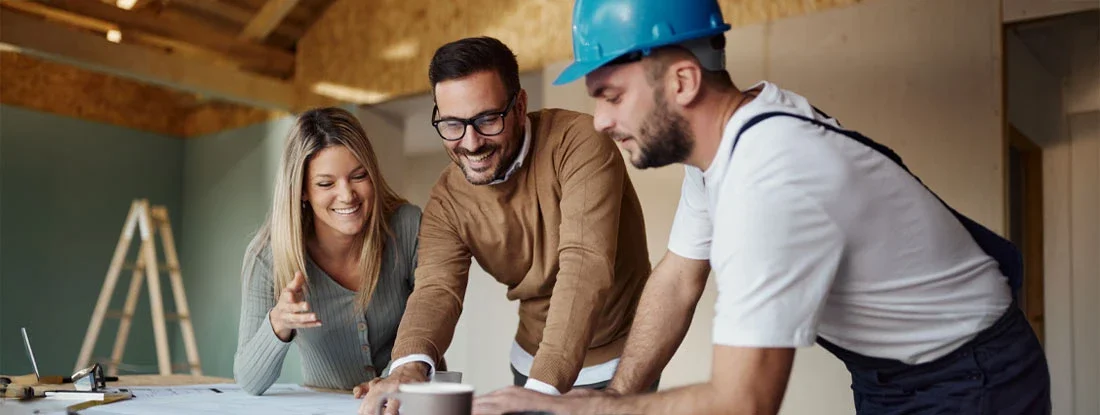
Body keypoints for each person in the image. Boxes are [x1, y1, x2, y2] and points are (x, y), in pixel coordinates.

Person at [474, 0, 1052, 414]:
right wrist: (618, 394)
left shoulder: (770, 175)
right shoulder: (729, 143)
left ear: (682, 81)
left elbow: (743, 400)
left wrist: (589, 409)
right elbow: (678, 279)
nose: (600, 121)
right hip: (893, 374)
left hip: (971, 376)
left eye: (613, 96)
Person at [355, 36, 653, 414]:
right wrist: (408, 368)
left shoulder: (579, 143)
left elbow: (585, 265)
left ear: (520, 105)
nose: (471, 142)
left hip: (617, 363)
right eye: (452, 124)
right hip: (531, 361)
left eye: (486, 120)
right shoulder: (447, 199)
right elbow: (436, 289)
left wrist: (541, 390)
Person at [234, 107, 421, 395]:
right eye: (326, 183)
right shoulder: (268, 256)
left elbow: (431, 317)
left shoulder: (407, 226)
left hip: (410, 402)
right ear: (302, 190)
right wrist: (278, 322)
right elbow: (249, 381)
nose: (347, 195)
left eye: (359, 176)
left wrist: (392, 378)